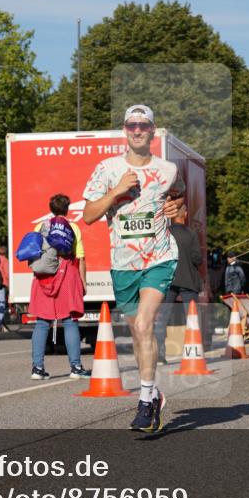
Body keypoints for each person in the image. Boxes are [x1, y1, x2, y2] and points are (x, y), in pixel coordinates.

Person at [82, 104, 183, 432]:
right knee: (139, 333)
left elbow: (183, 198)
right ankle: (154, 394)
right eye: (131, 125)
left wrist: (178, 204)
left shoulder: (168, 169)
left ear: (153, 131)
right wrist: (116, 191)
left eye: (143, 125)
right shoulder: (107, 169)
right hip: (123, 263)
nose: (137, 130)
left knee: (143, 324)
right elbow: (88, 216)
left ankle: (143, 402)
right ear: (125, 130)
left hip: (159, 256)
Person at [30, 194, 88, 378]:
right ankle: (76, 368)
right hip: (67, 274)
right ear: (67, 208)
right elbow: (80, 257)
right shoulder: (73, 228)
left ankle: (37, 369)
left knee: (41, 322)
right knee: (70, 321)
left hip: (44, 276)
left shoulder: (40, 227)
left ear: (51, 208)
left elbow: (34, 252)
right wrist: (83, 282)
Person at [154, 203, 203, 364]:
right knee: (193, 318)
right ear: (185, 214)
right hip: (188, 280)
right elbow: (197, 258)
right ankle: (194, 352)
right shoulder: (191, 234)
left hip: (168, 280)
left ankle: (160, 355)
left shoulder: (166, 233)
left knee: (162, 319)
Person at [0, 244, 10, 331]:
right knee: (1, 305)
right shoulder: (5, 261)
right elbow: (7, 274)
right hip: (2, 285)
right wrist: (9, 286)